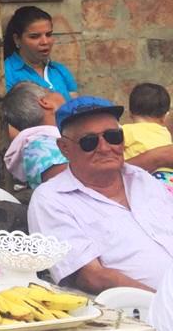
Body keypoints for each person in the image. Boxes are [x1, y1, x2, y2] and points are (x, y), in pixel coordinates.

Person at [28, 97, 173, 293]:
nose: (105, 148)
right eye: (89, 142)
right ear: (64, 148)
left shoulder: (142, 179)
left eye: (113, 136)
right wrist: (164, 304)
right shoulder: (52, 199)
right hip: (140, 312)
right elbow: (91, 277)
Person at [2, 80, 68, 189]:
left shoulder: (44, 143)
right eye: (51, 91)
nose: (60, 94)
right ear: (45, 102)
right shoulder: (41, 147)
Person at [2, 5, 78, 96]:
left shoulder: (59, 70)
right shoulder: (4, 74)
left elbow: (75, 106)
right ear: (17, 39)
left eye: (48, 34)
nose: (45, 42)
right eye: (34, 37)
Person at [124, 83, 173, 179]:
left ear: (130, 113)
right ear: (165, 117)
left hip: (145, 177)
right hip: (169, 178)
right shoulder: (164, 132)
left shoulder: (126, 130)